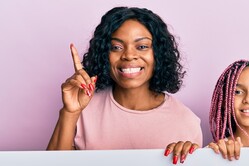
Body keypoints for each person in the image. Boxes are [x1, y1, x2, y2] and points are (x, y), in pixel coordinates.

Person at [47, 7, 203, 150]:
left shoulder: (185, 121)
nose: (128, 55)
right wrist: (69, 112)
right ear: (104, 55)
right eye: (116, 47)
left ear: (158, 55)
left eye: (142, 46)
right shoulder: (83, 110)